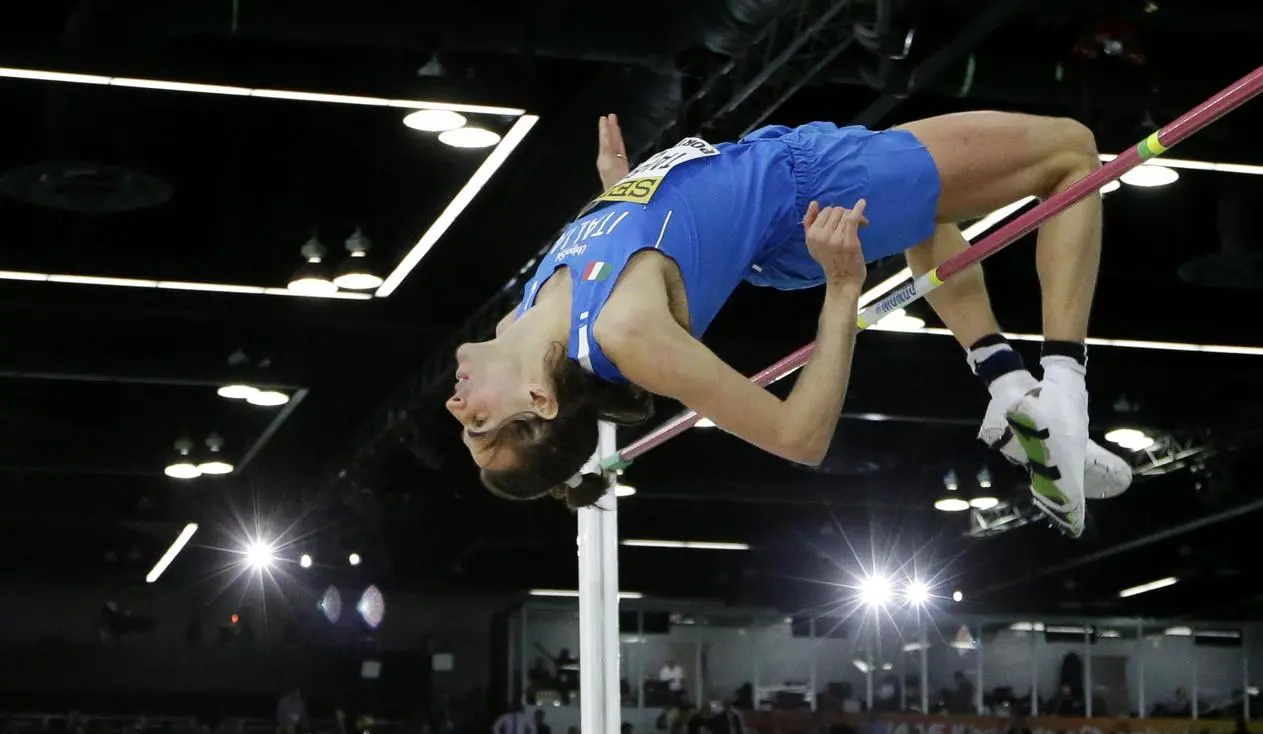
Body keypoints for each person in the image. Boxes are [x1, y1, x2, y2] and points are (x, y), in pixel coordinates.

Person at [452, 112, 1131, 538]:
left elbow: (640, 239)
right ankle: (1064, 390)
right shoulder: (623, 335)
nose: (457, 405)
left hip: (775, 198)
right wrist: (842, 290)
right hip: (812, 187)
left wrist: (617, 186)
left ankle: (1006, 383)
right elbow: (798, 437)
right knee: (1069, 152)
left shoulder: (533, 310)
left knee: (924, 210)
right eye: (478, 423)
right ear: (540, 400)